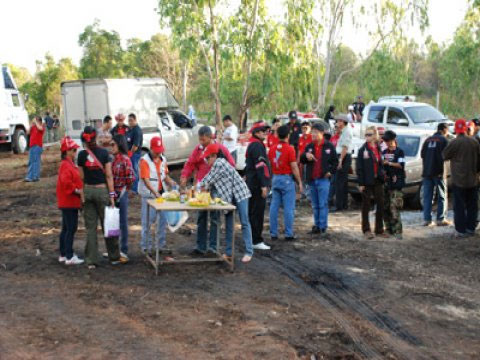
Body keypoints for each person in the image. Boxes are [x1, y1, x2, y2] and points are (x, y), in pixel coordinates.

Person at [179, 126, 235, 256]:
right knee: (201, 216)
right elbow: (190, 164)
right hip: (202, 187)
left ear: (211, 137)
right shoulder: (198, 149)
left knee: (215, 217)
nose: (202, 143)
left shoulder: (221, 149)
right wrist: (184, 176)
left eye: (204, 140)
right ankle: (200, 246)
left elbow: (231, 165)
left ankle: (213, 248)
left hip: (216, 187)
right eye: (200, 140)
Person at [77, 126, 125, 269]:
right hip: (102, 191)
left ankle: (91, 260)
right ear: (96, 137)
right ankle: (114, 257)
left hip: (88, 192)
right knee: (108, 225)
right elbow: (109, 176)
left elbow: (81, 177)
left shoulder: (81, 155)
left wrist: (82, 195)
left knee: (90, 228)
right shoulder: (105, 154)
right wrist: (112, 195)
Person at [200, 143, 254, 263]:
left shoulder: (219, 163)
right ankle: (229, 253)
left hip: (240, 193)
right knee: (229, 223)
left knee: (244, 222)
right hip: (229, 196)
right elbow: (208, 182)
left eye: (207, 158)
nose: (206, 160)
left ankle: (249, 251)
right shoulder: (216, 165)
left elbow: (207, 180)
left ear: (214, 156)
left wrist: (195, 188)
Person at [138, 137, 176, 256]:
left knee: (162, 221)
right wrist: (155, 193)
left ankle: (160, 245)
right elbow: (146, 179)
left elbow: (165, 175)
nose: (158, 153)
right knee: (147, 222)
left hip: (161, 195)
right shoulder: (144, 161)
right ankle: (146, 247)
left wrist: (172, 183)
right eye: (156, 151)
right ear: (151, 149)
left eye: (160, 151)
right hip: (149, 196)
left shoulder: (163, 159)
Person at [443, 119, 480, 237]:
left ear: (456, 130)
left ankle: (460, 230)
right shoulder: (474, 142)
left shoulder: (454, 142)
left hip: (458, 180)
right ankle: (471, 228)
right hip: (473, 179)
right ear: (466, 129)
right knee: (472, 206)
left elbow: (444, 155)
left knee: (459, 206)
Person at [300, 123, 338, 235]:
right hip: (312, 179)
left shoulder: (329, 146)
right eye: (312, 132)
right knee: (315, 205)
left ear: (322, 133)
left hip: (323, 180)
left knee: (323, 204)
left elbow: (335, 162)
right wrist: (306, 156)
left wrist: (330, 172)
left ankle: (323, 226)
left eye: (315, 132)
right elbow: (302, 159)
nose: (313, 134)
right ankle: (316, 226)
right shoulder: (310, 146)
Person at [268, 125, 303, 241]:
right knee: (288, 208)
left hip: (275, 178)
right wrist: (299, 181)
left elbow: (270, 165)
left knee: (274, 206)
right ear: (288, 136)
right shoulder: (290, 149)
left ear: (277, 135)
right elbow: (294, 166)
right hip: (286, 179)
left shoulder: (272, 148)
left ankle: (273, 233)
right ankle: (288, 233)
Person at [56, 136, 84, 265]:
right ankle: (69, 255)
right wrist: (77, 190)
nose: (75, 152)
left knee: (66, 228)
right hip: (69, 201)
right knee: (71, 228)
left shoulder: (67, 164)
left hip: (68, 201)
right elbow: (66, 182)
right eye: (73, 150)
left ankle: (63, 254)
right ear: (67, 151)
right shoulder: (66, 165)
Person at [356, 126, 387, 239]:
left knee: (380, 204)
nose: (367, 137)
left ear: (375, 135)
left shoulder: (378, 147)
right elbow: (359, 168)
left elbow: (380, 163)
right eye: (366, 134)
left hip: (378, 179)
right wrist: (360, 183)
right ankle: (366, 230)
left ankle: (379, 229)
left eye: (369, 134)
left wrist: (382, 173)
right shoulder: (362, 150)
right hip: (366, 180)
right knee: (366, 205)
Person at [245, 121, 272, 250]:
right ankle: (256, 240)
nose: (264, 132)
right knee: (257, 212)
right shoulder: (257, 146)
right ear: (256, 133)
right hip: (256, 185)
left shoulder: (254, 144)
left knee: (252, 211)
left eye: (265, 130)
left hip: (252, 183)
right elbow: (260, 167)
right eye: (262, 131)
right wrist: (263, 185)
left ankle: (251, 238)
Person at [110, 135, 135, 259]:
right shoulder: (112, 160)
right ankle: (114, 250)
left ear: (119, 145)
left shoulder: (125, 160)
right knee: (113, 222)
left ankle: (123, 250)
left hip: (122, 194)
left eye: (113, 145)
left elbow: (131, 177)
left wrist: (126, 189)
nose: (111, 147)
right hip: (114, 195)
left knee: (123, 223)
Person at [421, 123, 450, 226]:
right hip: (439, 172)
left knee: (427, 196)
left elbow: (422, 154)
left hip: (427, 172)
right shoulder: (444, 140)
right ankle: (441, 219)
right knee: (442, 196)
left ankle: (427, 219)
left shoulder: (428, 140)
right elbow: (448, 155)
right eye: (447, 131)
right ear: (444, 130)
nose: (448, 133)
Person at [382, 131, 406, 239]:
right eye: (386, 141)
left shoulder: (400, 152)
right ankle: (388, 229)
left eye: (388, 141)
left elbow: (401, 165)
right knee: (385, 207)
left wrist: (389, 163)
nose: (387, 143)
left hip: (397, 183)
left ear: (393, 140)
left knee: (394, 207)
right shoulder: (384, 152)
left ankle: (398, 231)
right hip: (386, 183)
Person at [333, 115, 353, 211]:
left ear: (343, 122)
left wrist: (340, 160)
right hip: (343, 157)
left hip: (343, 157)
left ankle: (339, 205)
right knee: (342, 182)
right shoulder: (344, 132)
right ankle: (343, 204)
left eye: (339, 121)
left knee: (339, 182)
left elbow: (345, 148)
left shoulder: (346, 132)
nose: (337, 123)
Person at [25, 116, 45, 182]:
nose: (34, 121)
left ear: (39, 121)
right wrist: (31, 125)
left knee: (36, 161)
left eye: (36, 120)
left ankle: (36, 176)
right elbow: (27, 132)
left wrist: (36, 122)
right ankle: (29, 177)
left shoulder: (42, 126)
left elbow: (40, 129)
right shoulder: (33, 127)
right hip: (32, 146)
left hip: (37, 146)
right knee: (31, 161)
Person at [127, 113, 143, 193]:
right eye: (129, 121)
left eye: (131, 120)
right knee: (132, 171)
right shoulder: (131, 129)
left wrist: (130, 153)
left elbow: (136, 145)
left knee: (135, 172)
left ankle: (135, 189)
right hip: (132, 154)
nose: (130, 122)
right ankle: (134, 188)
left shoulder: (137, 130)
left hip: (135, 154)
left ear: (135, 120)